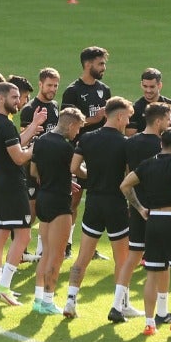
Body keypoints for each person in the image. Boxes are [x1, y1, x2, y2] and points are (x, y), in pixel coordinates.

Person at [122, 127, 171, 336]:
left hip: (152, 222)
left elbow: (125, 185)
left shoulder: (147, 164)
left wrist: (140, 208)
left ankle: (150, 323)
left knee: (153, 274)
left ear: (161, 144)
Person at [0, 81, 50, 306]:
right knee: (23, 236)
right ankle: (4, 286)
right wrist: (37, 148)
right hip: (12, 186)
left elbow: (12, 144)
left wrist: (33, 127)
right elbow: (19, 157)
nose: (18, 102)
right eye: (14, 98)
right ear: (1, 98)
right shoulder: (7, 125)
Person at [66, 96, 134, 321]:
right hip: (115, 203)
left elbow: (75, 168)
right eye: (128, 118)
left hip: (93, 203)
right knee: (121, 259)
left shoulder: (87, 138)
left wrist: (91, 175)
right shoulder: (125, 143)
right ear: (120, 116)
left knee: (82, 257)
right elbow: (127, 177)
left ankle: (70, 300)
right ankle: (121, 304)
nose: (128, 122)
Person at [29, 106, 85, 314]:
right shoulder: (66, 147)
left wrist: (56, 179)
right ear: (70, 125)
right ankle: (48, 301)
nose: (77, 133)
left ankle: (38, 299)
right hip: (60, 202)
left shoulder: (40, 141)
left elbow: (34, 171)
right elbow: (75, 170)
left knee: (45, 253)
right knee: (57, 254)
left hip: (43, 199)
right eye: (77, 128)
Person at [61, 45, 111, 132]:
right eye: (100, 64)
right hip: (79, 143)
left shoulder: (105, 89)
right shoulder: (72, 91)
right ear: (88, 65)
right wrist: (94, 119)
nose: (104, 68)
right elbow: (65, 124)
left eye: (104, 64)